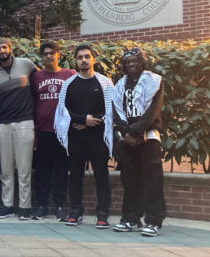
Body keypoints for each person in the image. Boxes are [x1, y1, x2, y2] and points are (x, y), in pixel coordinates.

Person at [54, 43, 114, 228]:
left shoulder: (105, 82)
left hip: (98, 138)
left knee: (101, 176)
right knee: (75, 176)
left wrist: (92, 120)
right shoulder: (69, 84)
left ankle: (103, 214)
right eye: (80, 57)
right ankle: (75, 211)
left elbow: (111, 109)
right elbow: (62, 110)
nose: (83, 60)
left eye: (87, 56)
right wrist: (81, 119)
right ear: (76, 60)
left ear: (94, 59)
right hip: (76, 137)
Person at [112, 48, 166, 237]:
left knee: (153, 180)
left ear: (142, 62)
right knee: (130, 180)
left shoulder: (154, 81)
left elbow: (153, 111)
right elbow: (117, 111)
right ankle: (130, 217)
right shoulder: (120, 85)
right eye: (128, 62)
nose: (132, 65)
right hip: (127, 139)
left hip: (148, 137)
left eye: (135, 61)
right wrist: (126, 132)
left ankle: (153, 221)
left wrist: (135, 131)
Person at [0, 38, 37, 220]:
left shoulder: (26, 64)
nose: (2, 50)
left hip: (25, 121)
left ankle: (25, 206)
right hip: (3, 123)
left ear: (10, 49)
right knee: (6, 168)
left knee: (24, 167)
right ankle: (7, 205)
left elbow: (40, 81)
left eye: (4, 47)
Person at [30, 41, 76, 221]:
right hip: (42, 130)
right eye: (45, 53)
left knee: (61, 170)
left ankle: (59, 205)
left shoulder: (69, 75)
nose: (48, 56)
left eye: (52, 53)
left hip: (63, 132)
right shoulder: (36, 77)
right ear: (41, 57)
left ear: (58, 55)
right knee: (42, 170)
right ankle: (41, 206)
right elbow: (33, 102)